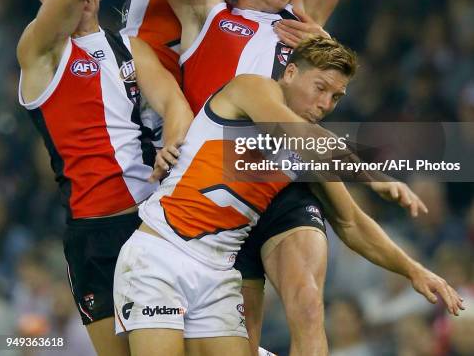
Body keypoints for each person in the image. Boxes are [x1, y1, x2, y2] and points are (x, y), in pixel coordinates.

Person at [97, 0, 427, 355]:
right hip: (211, 175)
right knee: (238, 332)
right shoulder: (209, 4)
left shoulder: (298, 18)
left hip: (282, 169)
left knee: (306, 302)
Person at [113, 36, 464, 356]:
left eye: (336, 96)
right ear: (291, 73)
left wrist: (414, 271)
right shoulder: (252, 89)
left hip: (218, 276)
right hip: (160, 256)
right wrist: (371, 176)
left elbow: (352, 223)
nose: (325, 103)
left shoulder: (313, 149)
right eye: (320, 87)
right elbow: (292, 132)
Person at [16, 0, 221, 356]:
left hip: (149, 221)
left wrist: (174, 142)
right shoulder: (39, 51)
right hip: (93, 235)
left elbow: (174, 105)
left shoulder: (130, 48)